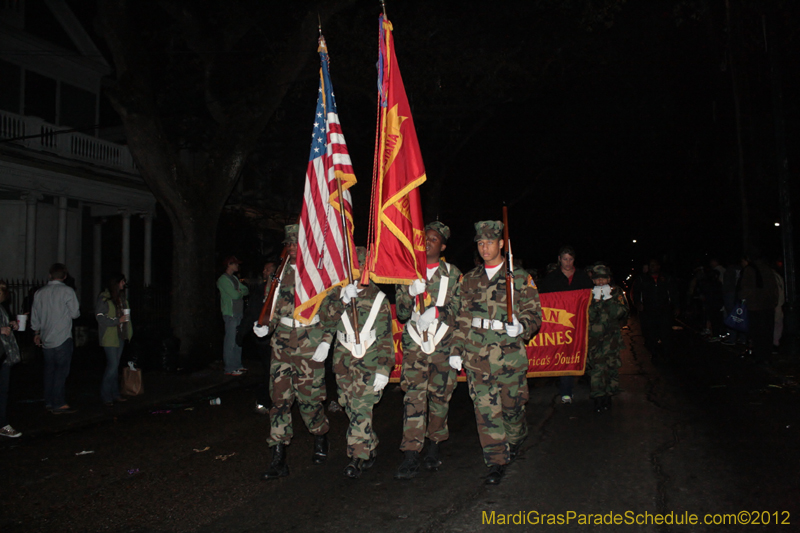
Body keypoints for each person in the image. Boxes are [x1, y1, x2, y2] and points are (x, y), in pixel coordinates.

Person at [450, 221, 542, 485]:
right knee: (485, 411)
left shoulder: (520, 277)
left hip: (509, 356)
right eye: (480, 243)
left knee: (512, 408)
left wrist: (522, 326)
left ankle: (516, 435)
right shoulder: (468, 279)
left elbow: (535, 314)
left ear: (502, 244)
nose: (484, 247)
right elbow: (461, 318)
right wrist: (456, 349)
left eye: (489, 242)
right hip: (477, 357)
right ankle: (495, 461)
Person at [255, 226, 332, 481]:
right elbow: (272, 307)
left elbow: (332, 311)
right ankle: (278, 457)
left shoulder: (318, 274)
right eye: (288, 244)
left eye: (295, 244)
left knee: (310, 400)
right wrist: (264, 326)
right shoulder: (277, 275)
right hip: (281, 345)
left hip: (309, 342)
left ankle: (320, 434)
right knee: (279, 401)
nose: (291, 248)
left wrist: (326, 341)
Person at [394, 221, 462, 480]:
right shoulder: (408, 271)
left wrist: (439, 311)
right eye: (425, 237)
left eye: (434, 239)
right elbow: (401, 314)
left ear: (442, 245)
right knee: (413, 397)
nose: (427, 242)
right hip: (414, 347)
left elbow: (461, 310)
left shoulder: (453, 274)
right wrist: (410, 293)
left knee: (440, 398)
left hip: (443, 344)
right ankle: (410, 452)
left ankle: (434, 445)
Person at [321, 247, 393, 479]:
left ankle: (356, 456)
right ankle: (369, 442)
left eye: (361, 266)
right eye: (353, 266)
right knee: (349, 405)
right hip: (343, 360)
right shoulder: (338, 293)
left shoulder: (379, 298)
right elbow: (325, 318)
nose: (357, 271)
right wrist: (342, 298)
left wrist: (383, 370)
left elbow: (385, 338)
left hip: (369, 362)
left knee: (362, 406)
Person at [537, 245, 593, 404]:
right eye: (565, 259)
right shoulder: (551, 278)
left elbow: (590, 296)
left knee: (583, 351)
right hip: (561, 323)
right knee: (566, 353)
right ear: (559, 260)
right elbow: (544, 299)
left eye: (570, 259)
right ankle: (566, 390)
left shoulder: (582, 276)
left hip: (580, 322)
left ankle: (592, 384)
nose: (568, 263)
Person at [31, 263, 80, 414]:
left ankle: (49, 401)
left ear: (50, 275)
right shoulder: (67, 291)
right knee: (61, 371)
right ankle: (58, 403)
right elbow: (75, 314)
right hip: (62, 337)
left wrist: (36, 333)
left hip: (46, 338)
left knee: (49, 370)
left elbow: (35, 316)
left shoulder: (40, 292)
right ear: (64, 276)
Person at [586, 265, 629, 412]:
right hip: (595, 340)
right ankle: (598, 399)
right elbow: (586, 317)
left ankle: (608, 397)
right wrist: (596, 302)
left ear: (608, 278)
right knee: (597, 371)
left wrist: (608, 299)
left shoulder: (616, 292)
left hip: (611, 340)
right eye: (597, 278)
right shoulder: (589, 294)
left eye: (603, 278)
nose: (600, 281)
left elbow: (621, 312)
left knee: (611, 369)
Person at [242, 260, 277, 414]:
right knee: (268, 369)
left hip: (275, 337)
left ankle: (272, 400)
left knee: (274, 370)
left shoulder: (279, 291)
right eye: (264, 269)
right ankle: (265, 400)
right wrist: (243, 330)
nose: (265, 272)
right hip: (262, 338)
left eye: (268, 269)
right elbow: (251, 311)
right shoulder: (260, 290)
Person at [631, 258, 679, 363]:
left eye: (654, 265)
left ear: (658, 266)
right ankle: (654, 353)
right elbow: (636, 293)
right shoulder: (642, 279)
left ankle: (666, 355)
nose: (652, 267)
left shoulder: (666, 278)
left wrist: (676, 306)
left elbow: (673, 293)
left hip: (664, 310)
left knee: (665, 333)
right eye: (650, 265)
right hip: (648, 311)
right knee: (650, 334)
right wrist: (638, 303)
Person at [95, 274, 133, 406]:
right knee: (112, 366)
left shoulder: (121, 298)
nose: (124, 284)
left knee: (115, 366)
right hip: (110, 336)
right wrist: (117, 321)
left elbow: (126, 316)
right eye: (122, 281)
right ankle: (106, 395)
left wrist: (128, 329)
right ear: (116, 283)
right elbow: (100, 317)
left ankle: (115, 393)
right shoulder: (105, 298)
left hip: (120, 335)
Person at [738, 250, 778, 365]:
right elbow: (774, 288)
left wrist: (741, 296)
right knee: (767, 331)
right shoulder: (768, 269)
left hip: (755, 306)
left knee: (757, 332)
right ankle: (767, 356)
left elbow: (746, 289)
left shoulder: (750, 270)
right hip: (768, 304)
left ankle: (760, 356)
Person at [217, 255, 249, 376]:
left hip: (238, 313)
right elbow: (235, 295)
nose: (237, 266)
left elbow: (245, 290)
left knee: (237, 340)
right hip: (230, 314)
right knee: (230, 341)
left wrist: (239, 292)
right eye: (235, 264)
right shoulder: (223, 280)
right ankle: (229, 368)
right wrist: (239, 293)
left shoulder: (234, 278)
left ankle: (237, 365)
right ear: (229, 264)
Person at [0, 281, 22, 437]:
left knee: (3, 391)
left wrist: (10, 324)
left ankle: (2, 424)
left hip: (4, 354)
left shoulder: (1, 307)